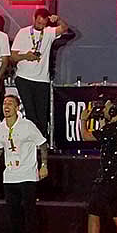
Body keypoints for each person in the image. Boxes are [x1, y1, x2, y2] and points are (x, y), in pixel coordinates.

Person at [0, 94, 48, 233]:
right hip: (9, 176)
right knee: (13, 212)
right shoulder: (0, 127)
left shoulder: (27, 125)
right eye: (4, 103)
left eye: (10, 104)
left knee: (29, 211)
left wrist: (44, 165)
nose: (6, 106)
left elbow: (42, 144)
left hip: (27, 175)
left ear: (17, 108)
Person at [11, 9, 70, 138]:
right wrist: (26, 56)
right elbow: (13, 56)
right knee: (30, 112)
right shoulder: (23, 32)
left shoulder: (48, 32)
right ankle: (32, 141)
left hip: (42, 79)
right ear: (34, 18)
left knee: (42, 114)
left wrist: (58, 19)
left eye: (43, 24)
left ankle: (41, 141)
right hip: (24, 78)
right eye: (38, 22)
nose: (40, 25)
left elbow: (65, 28)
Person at [80, 96, 117, 233]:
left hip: (109, 179)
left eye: (106, 108)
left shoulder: (111, 129)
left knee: (94, 212)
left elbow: (86, 136)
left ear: (113, 111)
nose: (103, 110)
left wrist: (83, 119)